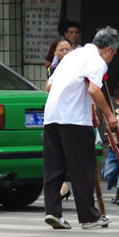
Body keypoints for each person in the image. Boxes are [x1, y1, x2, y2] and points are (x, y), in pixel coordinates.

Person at [43, 26, 119, 229]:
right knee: (83, 167)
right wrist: (109, 115)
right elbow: (94, 89)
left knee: (54, 166)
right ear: (109, 49)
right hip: (74, 119)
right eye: (113, 54)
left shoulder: (72, 55)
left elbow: (49, 86)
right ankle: (88, 217)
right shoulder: (97, 60)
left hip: (51, 115)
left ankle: (53, 212)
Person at [45, 37, 72, 200]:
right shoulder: (54, 69)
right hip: (58, 116)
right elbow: (48, 88)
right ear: (55, 53)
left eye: (68, 49)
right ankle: (62, 186)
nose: (65, 52)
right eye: (61, 50)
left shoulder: (77, 65)